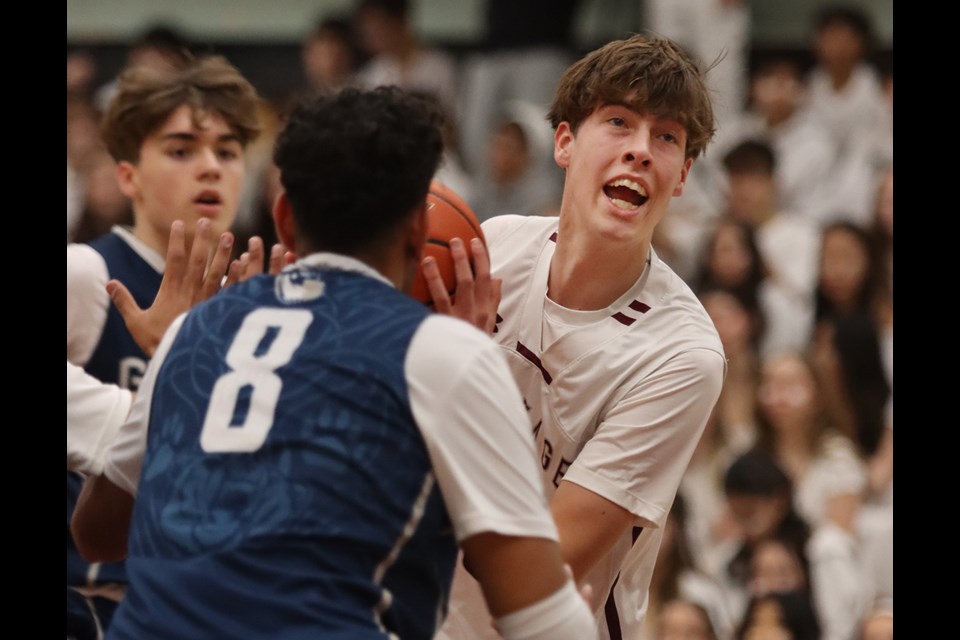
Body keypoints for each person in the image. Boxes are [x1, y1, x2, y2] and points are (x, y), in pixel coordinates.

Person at [71, 86, 598, 640]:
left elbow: (96, 534)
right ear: (420, 230)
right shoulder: (444, 354)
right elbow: (537, 619)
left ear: (284, 219)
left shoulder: (191, 328)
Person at [431, 34, 727, 640]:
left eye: (667, 137)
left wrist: (455, 380)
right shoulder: (495, 243)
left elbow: (540, 570)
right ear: (565, 142)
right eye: (618, 122)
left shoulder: (682, 356)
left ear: (682, 177)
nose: (641, 150)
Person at [66, 54, 262, 639]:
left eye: (227, 152)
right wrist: (141, 410)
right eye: (181, 150)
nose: (210, 168)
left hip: (206, 605)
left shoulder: (259, 297)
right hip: (90, 601)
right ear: (128, 175)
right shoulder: (89, 271)